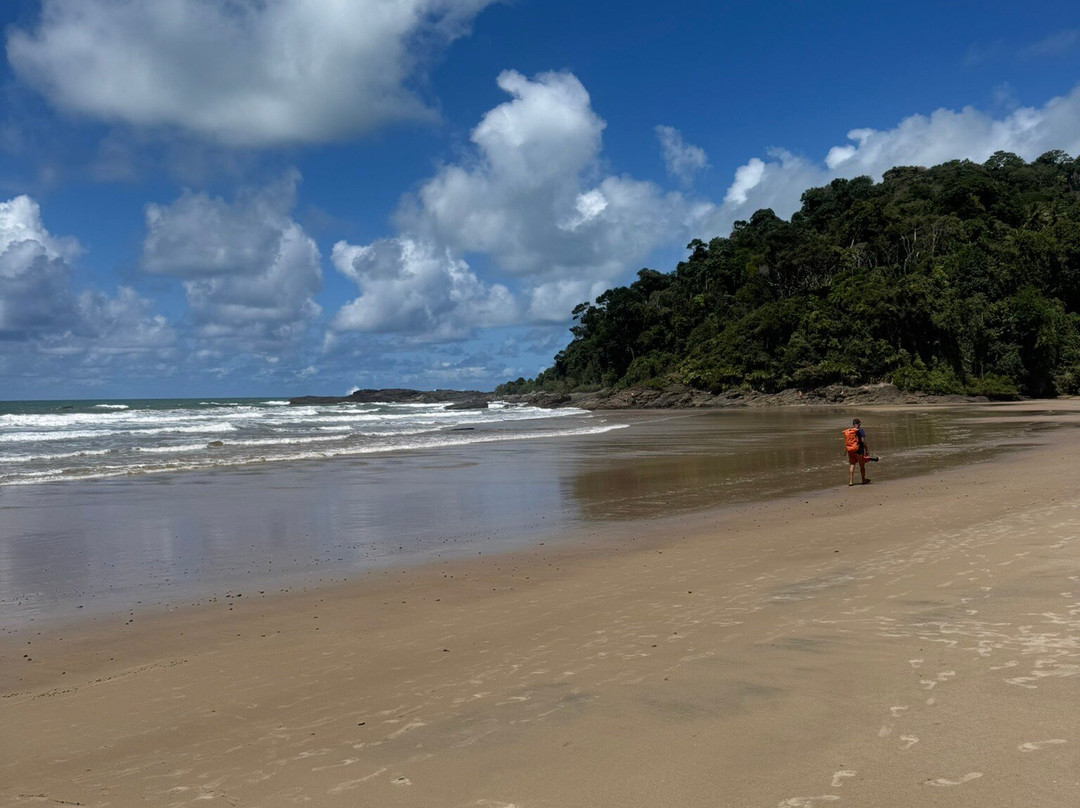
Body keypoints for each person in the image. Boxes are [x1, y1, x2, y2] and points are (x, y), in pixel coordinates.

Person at [843, 417, 879, 486]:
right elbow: (863, 441)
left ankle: (851, 481)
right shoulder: (860, 430)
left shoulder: (850, 431)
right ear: (859, 424)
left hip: (851, 451)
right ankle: (863, 480)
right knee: (862, 466)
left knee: (852, 464)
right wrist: (867, 449)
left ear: (853, 424)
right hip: (859, 450)